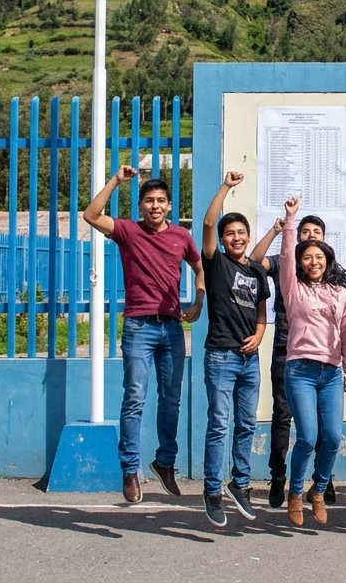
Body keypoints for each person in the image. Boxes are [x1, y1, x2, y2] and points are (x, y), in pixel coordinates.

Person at [82, 166, 204, 504]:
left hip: (172, 328)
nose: (155, 206)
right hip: (138, 327)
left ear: (169, 205)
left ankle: (165, 462)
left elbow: (199, 267)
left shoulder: (181, 236)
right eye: (149, 200)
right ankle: (129, 468)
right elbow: (90, 215)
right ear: (141, 205)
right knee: (135, 397)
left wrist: (198, 300)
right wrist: (116, 181)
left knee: (171, 399)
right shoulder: (128, 231)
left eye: (161, 200)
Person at [249, 213, 338, 508]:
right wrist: (277, 230)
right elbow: (254, 261)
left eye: (317, 232)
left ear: (324, 238)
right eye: (305, 231)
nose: (311, 236)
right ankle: (278, 477)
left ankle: (323, 479)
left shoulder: (327, 269)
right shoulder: (284, 261)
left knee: (323, 421)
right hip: (287, 350)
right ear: (297, 236)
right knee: (283, 414)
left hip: (323, 357)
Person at [276, 196, 346, 527]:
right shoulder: (293, 289)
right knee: (308, 436)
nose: (313, 261)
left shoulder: (340, 293)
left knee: (332, 437)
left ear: (328, 260)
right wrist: (290, 219)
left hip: (331, 373)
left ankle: (318, 490)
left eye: (319, 256)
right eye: (307, 257)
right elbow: (285, 257)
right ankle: (295, 492)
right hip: (300, 371)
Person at [198, 172, 270, 527]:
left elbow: (261, 311)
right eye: (230, 233)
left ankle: (240, 484)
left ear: (248, 236)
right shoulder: (217, 263)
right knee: (218, 425)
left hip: (249, 359)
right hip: (221, 356)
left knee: (247, 424)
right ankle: (212, 491)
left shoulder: (256, 271)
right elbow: (208, 222)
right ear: (223, 240)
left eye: (241, 232)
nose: (236, 237)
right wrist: (226, 186)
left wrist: (259, 335)